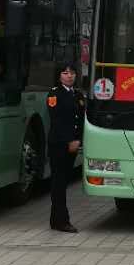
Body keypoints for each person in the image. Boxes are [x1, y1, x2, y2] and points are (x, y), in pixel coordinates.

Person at [46, 63, 84, 233]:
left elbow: (80, 120)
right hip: (59, 145)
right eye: (65, 73)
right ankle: (62, 220)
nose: (69, 76)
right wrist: (69, 140)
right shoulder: (54, 94)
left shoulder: (78, 94)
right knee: (58, 183)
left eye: (72, 73)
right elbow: (56, 120)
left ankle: (55, 220)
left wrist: (78, 140)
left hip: (73, 145)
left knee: (63, 182)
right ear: (59, 75)